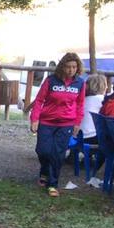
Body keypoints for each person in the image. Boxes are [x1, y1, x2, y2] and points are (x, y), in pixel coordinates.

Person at [29, 52, 85, 197]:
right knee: (43, 151)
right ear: (62, 67)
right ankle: (44, 171)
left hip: (66, 123)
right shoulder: (51, 81)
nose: (71, 70)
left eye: (74, 67)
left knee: (58, 154)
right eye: (68, 67)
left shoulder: (80, 83)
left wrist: (77, 122)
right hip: (47, 122)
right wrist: (35, 119)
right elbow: (39, 100)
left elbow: (80, 104)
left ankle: (53, 184)